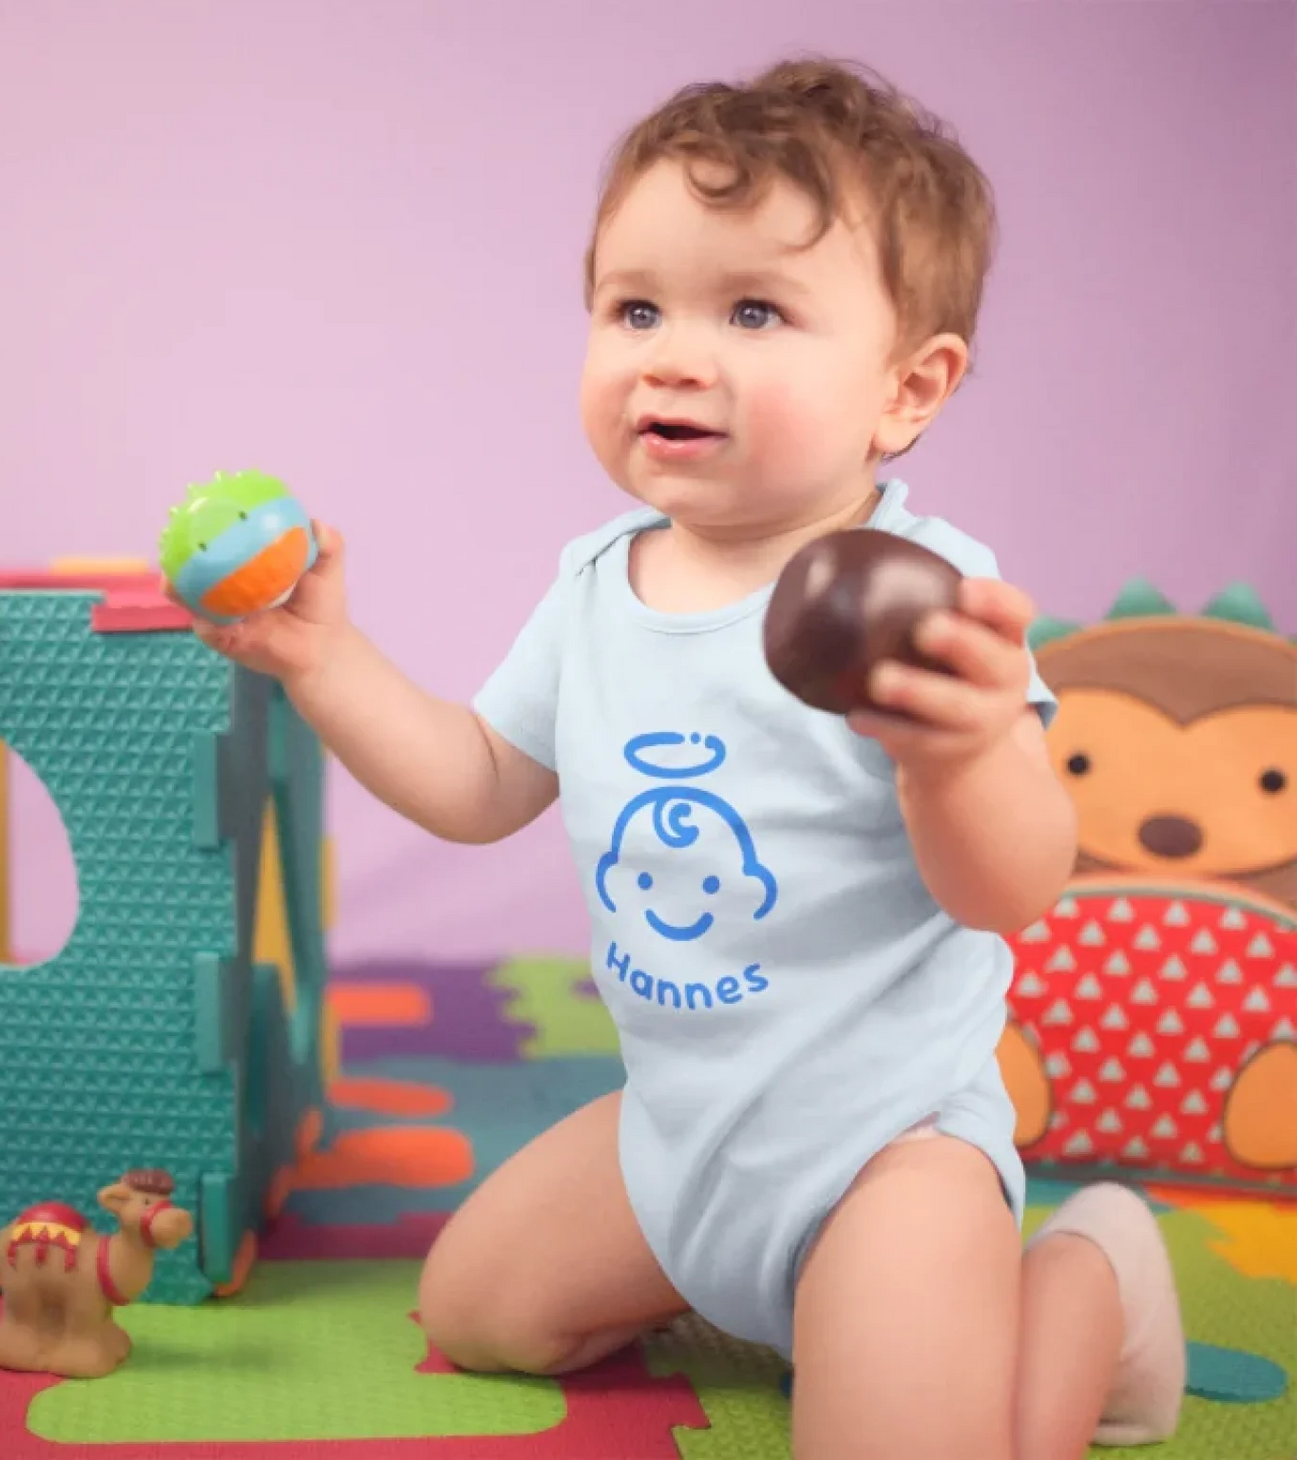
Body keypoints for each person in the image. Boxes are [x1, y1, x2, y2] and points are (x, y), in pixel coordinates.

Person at [181, 56, 1186, 1460]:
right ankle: (784, 1306)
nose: (669, 353)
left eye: (754, 311)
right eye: (633, 306)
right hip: (676, 1129)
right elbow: (478, 786)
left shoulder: (924, 599)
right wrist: (325, 666)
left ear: (907, 389)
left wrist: (956, 761)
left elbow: (1011, 892)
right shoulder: (599, 583)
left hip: (883, 1156)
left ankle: (1091, 1285)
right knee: (472, 1312)